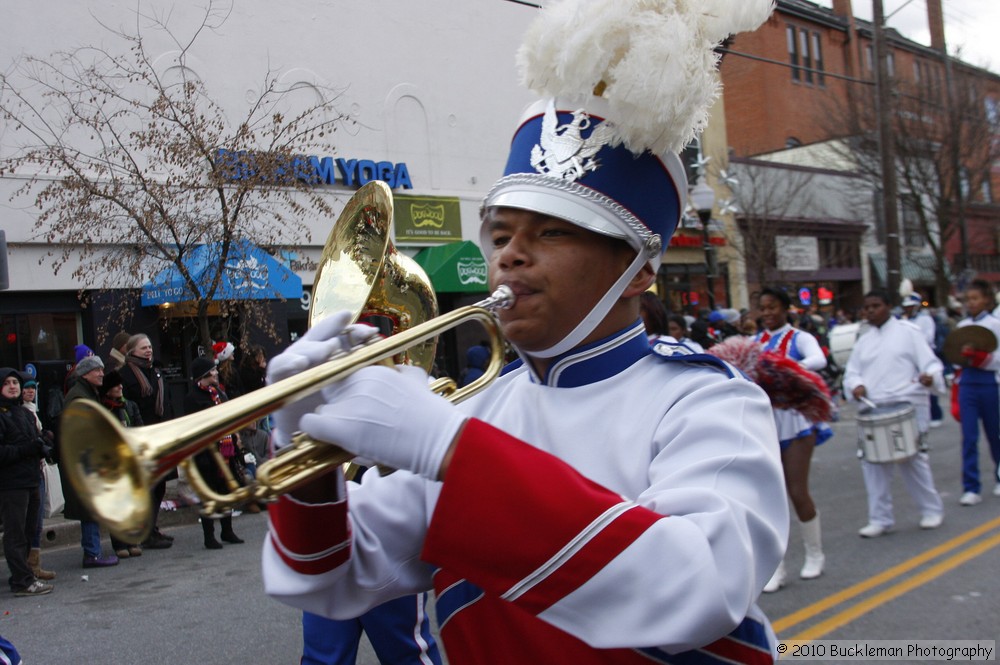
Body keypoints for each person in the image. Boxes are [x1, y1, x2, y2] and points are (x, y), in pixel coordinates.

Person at [261, 3, 785, 659]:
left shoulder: (708, 403)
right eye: (501, 233)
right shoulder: (480, 406)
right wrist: (303, 447)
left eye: (553, 231)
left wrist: (453, 447)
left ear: (637, 272)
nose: (509, 254)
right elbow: (329, 577)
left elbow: (694, 586)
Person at [843, 290, 945, 536]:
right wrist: (855, 386)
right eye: (866, 307)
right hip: (874, 406)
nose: (870, 311)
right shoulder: (863, 341)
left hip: (906, 402)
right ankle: (880, 518)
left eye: (875, 305)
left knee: (913, 459)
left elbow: (930, 363)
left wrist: (929, 377)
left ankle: (931, 510)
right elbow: (852, 372)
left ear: (889, 306)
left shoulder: (909, 333)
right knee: (873, 464)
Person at [754, 287, 830, 592]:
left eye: (773, 307)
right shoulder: (754, 343)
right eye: (764, 308)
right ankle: (777, 567)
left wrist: (785, 368)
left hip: (796, 420)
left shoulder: (799, 338)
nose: (768, 313)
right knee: (770, 497)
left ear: (786, 308)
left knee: (797, 491)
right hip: (765, 424)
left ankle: (815, 554)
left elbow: (818, 360)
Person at [62, 356, 120, 569]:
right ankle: (92, 553)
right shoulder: (79, 397)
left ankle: (93, 551)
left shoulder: (87, 393)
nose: (102, 374)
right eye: (97, 370)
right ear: (85, 373)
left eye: (102, 370)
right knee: (90, 508)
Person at [0, 368, 54, 596]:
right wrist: (28, 449)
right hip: (12, 484)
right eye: (7, 383)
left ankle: (23, 574)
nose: (13, 386)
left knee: (29, 530)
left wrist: (44, 443)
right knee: (15, 533)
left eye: (16, 382)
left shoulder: (26, 414)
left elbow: (32, 443)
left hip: (32, 479)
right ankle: (22, 580)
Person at [119, 333, 174, 549]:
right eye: (144, 348)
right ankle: (145, 532)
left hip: (161, 436)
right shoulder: (125, 375)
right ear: (132, 352)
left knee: (159, 486)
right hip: (141, 437)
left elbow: (167, 402)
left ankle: (152, 527)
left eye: (150, 347)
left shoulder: (157, 372)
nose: (149, 351)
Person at [183, 356, 244, 550]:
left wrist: (234, 438)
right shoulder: (192, 398)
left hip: (225, 452)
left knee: (225, 491)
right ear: (204, 375)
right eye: (213, 370)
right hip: (206, 454)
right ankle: (209, 536)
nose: (217, 372)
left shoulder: (219, 393)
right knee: (208, 494)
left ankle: (227, 530)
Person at [953, 279, 1000, 506]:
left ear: (987, 300)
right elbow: (954, 358)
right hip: (968, 384)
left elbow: (998, 359)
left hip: (990, 383)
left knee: (995, 435)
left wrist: (979, 357)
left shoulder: (995, 324)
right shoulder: (962, 327)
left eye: (975, 298)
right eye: (967, 299)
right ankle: (971, 487)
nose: (970, 303)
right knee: (969, 437)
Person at [98, 371, 146, 558]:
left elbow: (139, 428)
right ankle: (119, 543)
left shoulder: (129, 406)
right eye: (115, 385)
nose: (120, 388)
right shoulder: (102, 409)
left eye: (121, 385)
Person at [20, 378, 57, 582]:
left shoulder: (33, 411)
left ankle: (34, 565)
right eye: (25, 388)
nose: (29, 392)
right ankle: (25, 568)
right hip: (24, 474)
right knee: (27, 523)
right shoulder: (19, 413)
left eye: (32, 388)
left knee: (37, 522)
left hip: (38, 469)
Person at [902, 293, 944, 427]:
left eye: (911, 306)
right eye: (906, 307)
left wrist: (915, 343)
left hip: (925, 355)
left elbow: (929, 337)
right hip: (910, 359)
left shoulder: (925, 319)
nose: (908, 309)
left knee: (929, 383)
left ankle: (936, 414)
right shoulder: (904, 320)